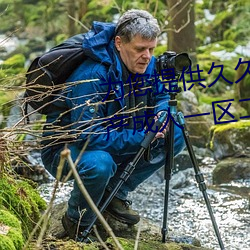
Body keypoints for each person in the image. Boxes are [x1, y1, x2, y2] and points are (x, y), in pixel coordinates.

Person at [41, 9, 185, 241]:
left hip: (116, 135)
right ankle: (76, 221)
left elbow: (161, 95)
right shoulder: (92, 75)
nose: (147, 56)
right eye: (140, 49)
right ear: (119, 43)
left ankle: (115, 193)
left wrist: (161, 113)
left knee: (175, 131)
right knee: (100, 164)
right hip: (67, 150)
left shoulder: (145, 62)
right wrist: (143, 136)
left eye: (152, 49)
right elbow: (88, 136)